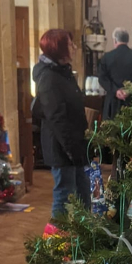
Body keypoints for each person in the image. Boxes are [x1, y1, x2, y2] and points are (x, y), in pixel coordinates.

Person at [32, 29, 92, 217]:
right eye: (70, 44)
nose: (74, 48)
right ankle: (57, 241)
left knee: (83, 192)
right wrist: (71, 149)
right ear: (59, 49)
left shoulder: (62, 72)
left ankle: (84, 237)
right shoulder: (49, 77)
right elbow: (57, 117)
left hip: (75, 144)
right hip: (62, 146)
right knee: (64, 195)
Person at [98, 28, 132, 120]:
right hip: (131, 102)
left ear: (115, 40)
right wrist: (129, 90)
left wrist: (116, 91)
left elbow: (102, 78)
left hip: (112, 103)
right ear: (127, 40)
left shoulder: (107, 57)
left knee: (111, 131)